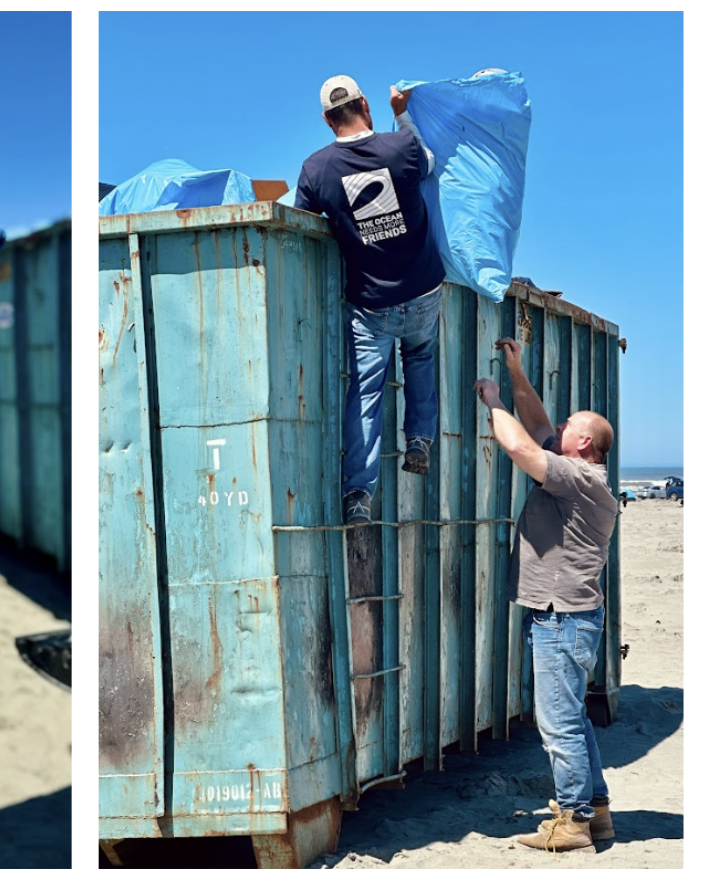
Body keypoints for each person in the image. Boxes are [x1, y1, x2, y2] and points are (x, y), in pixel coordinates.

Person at [475, 336, 618, 853]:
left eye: (568, 428)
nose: (559, 428)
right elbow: (537, 428)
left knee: (557, 726)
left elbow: (519, 444)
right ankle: (596, 813)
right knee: (573, 720)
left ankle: (574, 822)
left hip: (562, 619)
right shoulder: (579, 470)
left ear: (583, 445)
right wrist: (516, 372)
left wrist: (492, 401)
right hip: (570, 618)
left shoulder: (579, 479)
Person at [293, 74, 446, 524]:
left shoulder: (316, 169)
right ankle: (419, 439)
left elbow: (301, 218)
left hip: (370, 303)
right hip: (422, 289)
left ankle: (359, 494)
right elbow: (431, 163)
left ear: (326, 119)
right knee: (420, 357)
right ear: (364, 104)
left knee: (365, 393)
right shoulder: (401, 148)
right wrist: (402, 113)